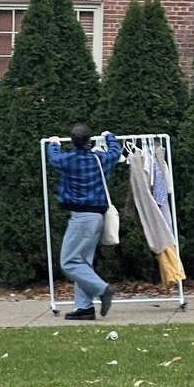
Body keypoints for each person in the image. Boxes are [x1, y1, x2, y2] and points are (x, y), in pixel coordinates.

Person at [47, 124, 122, 320]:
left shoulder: (67, 160)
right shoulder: (99, 159)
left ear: (72, 142)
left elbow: (54, 158)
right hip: (97, 216)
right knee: (83, 262)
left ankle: (103, 289)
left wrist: (54, 143)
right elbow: (115, 152)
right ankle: (84, 308)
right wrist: (109, 136)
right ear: (89, 141)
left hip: (80, 217)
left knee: (69, 262)